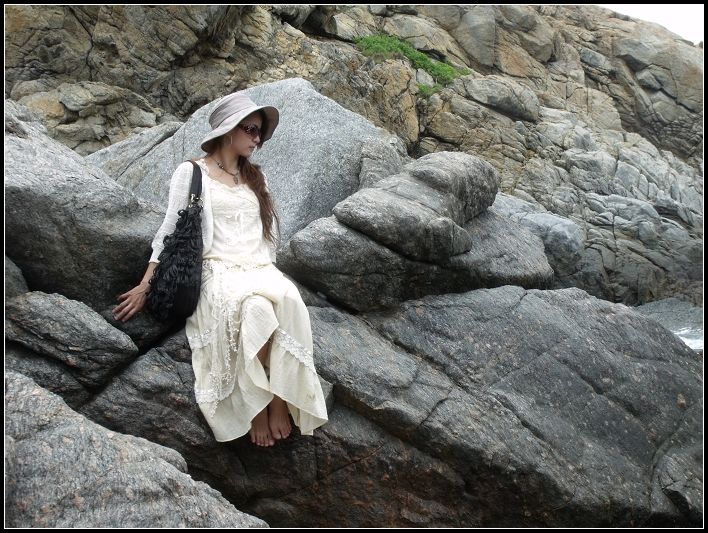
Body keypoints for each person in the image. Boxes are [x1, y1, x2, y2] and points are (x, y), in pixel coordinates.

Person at [112, 90, 329, 447]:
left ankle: (278, 398)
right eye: (251, 129)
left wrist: (268, 272)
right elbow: (169, 231)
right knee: (255, 310)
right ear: (229, 130)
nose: (257, 138)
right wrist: (146, 284)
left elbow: (268, 235)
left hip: (258, 266)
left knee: (290, 301)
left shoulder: (255, 177)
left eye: (260, 132)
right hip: (218, 269)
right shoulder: (192, 172)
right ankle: (257, 405)